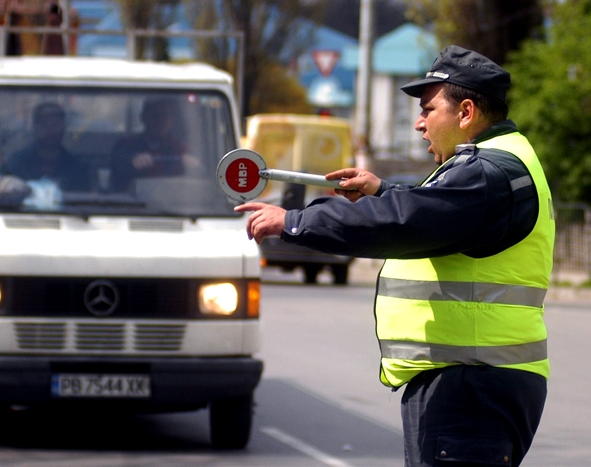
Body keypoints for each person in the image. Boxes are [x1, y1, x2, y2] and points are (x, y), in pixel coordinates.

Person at [236, 45, 554, 467]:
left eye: (428, 110)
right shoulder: (502, 162)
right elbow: (437, 214)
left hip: (470, 382)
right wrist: (383, 191)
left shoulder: (485, 172)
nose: (420, 123)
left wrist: (294, 221)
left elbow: (404, 224)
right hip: (476, 378)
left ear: (466, 112)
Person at [110, 97, 200, 191]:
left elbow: (205, 175)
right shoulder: (125, 146)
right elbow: (116, 175)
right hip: (132, 204)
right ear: (143, 118)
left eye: (164, 116)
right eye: (155, 116)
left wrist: (194, 165)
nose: (159, 121)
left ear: (172, 120)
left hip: (176, 203)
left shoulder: (182, 150)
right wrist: (132, 161)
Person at [6, 101, 87, 192]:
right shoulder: (16, 164)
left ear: (64, 127)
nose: (50, 130)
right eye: (44, 124)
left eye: (55, 124)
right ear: (34, 127)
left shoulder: (77, 168)